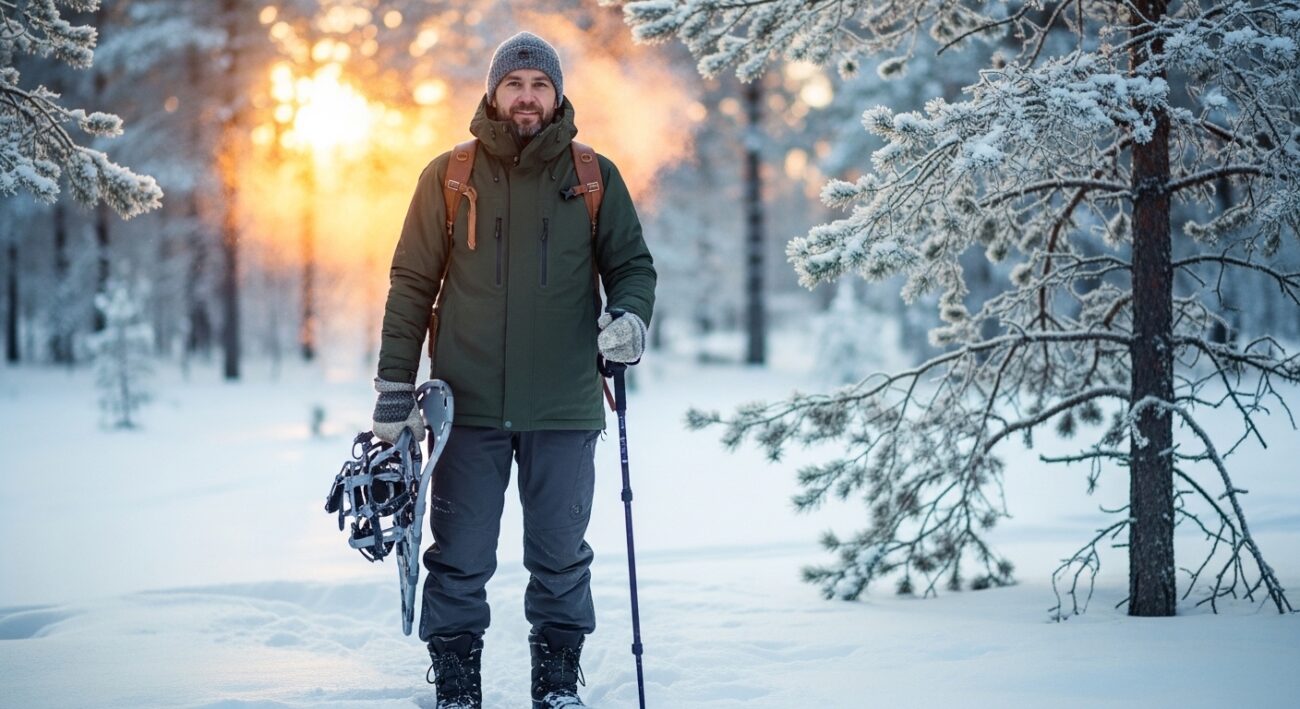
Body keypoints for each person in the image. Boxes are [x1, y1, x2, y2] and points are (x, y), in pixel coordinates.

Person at [370, 31, 656, 709]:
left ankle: (556, 685)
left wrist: (630, 319)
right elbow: (411, 283)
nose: (527, 98)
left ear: (557, 95)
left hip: (565, 401)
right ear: (494, 94)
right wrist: (392, 390)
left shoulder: (592, 175)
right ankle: (457, 685)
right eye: (515, 85)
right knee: (460, 554)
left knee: (561, 555)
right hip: (464, 407)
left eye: (539, 86)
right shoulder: (450, 175)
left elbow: (632, 266)